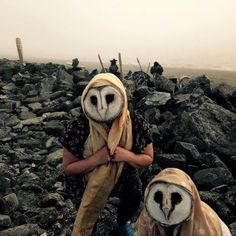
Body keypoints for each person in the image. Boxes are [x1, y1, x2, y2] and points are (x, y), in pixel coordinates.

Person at [59, 73, 154, 236]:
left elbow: (148, 158)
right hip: (86, 176)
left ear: (122, 98)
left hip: (122, 169)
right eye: (94, 100)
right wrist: (95, 159)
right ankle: (90, 227)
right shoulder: (78, 126)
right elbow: (68, 168)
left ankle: (122, 223)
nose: (102, 107)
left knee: (134, 193)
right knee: (82, 196)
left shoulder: (135, 123)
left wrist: (126, 156)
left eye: (110, 99)